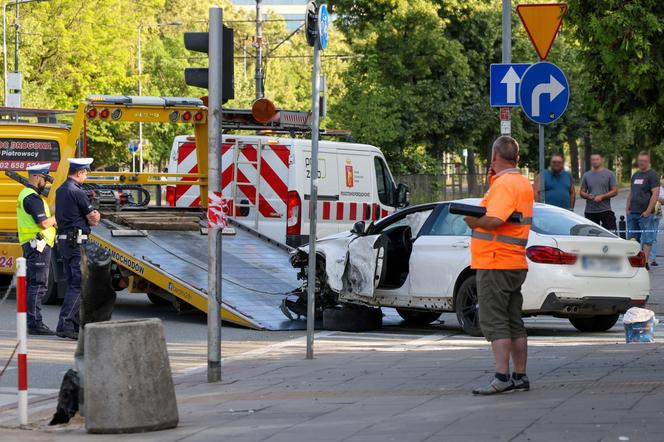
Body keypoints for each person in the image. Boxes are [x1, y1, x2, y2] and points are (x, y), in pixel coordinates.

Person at [463, 136, 534, 395]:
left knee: (495, 321)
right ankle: (520, 376)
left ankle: (502, 377)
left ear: (494, 156)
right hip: (514, 260)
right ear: (516, 157)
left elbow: (494, 219)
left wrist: (474, 222)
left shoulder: (505, 184)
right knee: (514, 320)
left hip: (495, 261)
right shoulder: (521, 182)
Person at [54, 158, 101, 340]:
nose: (86, 176)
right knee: (78, 284)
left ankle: (72, 325)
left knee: (73, 282)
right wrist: (97, 214)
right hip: (76, 243)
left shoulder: (61, 190)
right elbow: (93, 219)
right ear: (80, 172)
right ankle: (65, 324)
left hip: (65, 242)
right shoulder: (78, 192)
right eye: (86, 173)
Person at [16, 164, 57, 335]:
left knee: (33, 284)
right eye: (44, 179)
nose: (45, 184)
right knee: (38, 285)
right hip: (37, 246)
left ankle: (31, 321)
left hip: (32, 244)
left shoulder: (26, 195)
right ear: (37, 177)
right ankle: (34, 323)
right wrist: (59, 216)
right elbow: (44, 223)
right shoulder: (32, 198)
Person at [626, 151, 660, 269]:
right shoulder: (635, 175)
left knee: (647, 239)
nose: (642, 163)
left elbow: (655, 194)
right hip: (632, 213)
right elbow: (631, 192)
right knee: (632, 238)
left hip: (645, 214)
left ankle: (645, 263)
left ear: (648, 161)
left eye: (644, 161)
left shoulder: (652, 175)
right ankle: (635, 261)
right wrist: (627, 208)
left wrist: (648, 211)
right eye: (640, 161)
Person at [579, 153, 618, 231]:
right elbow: (581, 192)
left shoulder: (609, 174)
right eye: (593, 160)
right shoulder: (587, 175)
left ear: (602, 160)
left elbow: (615, 191)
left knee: (612, 233)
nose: (595, 161)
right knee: (592, 236)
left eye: (597, 159)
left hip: (605, 210)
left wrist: (602, 196)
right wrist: (587, 196)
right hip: (590, 211)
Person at [649, 179, 664, 266]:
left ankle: (653, 259)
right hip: (647, 214)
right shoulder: (646, 189)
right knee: (644, 236)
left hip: (657, 214)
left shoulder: (659, 189)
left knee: (653, 237)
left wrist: (656, 197)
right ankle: (645, 257)